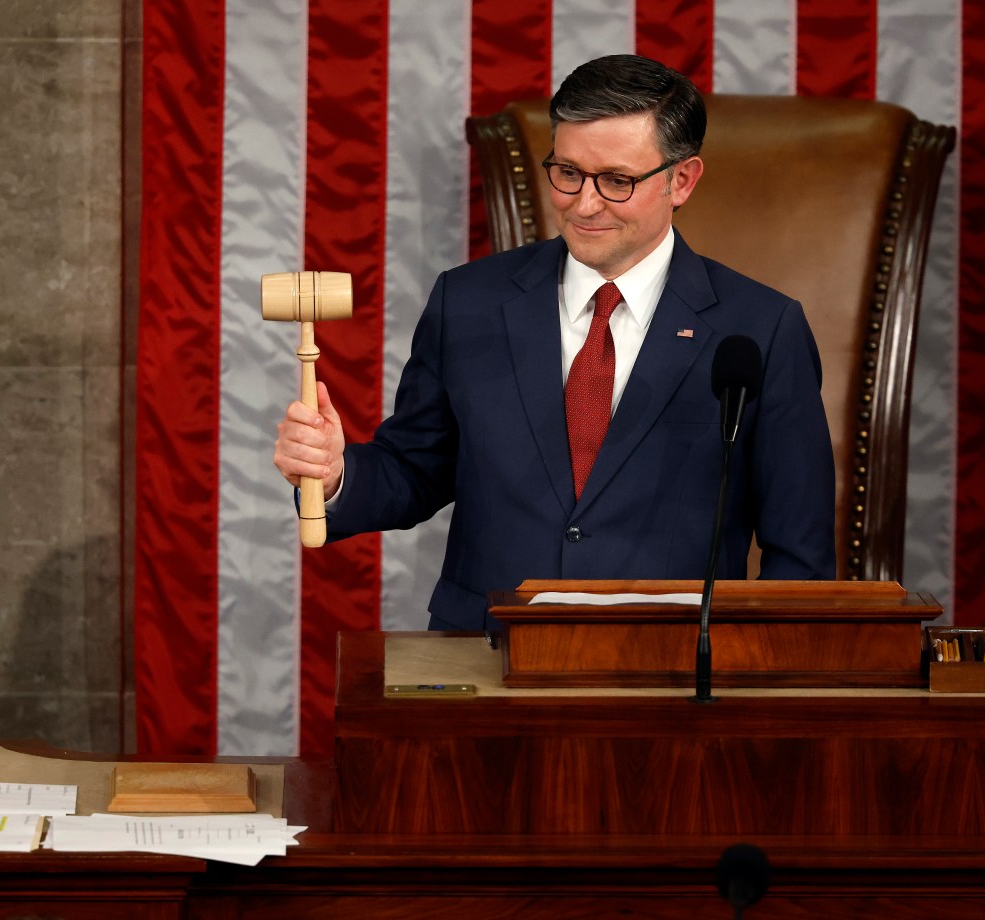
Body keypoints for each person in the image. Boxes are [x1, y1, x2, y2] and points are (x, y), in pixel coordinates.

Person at [274, 54, 835, 632]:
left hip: (668, 683)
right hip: (488, 663)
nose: (584, 204)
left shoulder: (762, 330)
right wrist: (336, 472)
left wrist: (746, 680)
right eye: (567, 173)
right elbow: (415, 472)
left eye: (616, 181)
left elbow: (801, 560)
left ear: (682, 180)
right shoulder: (466, 303)